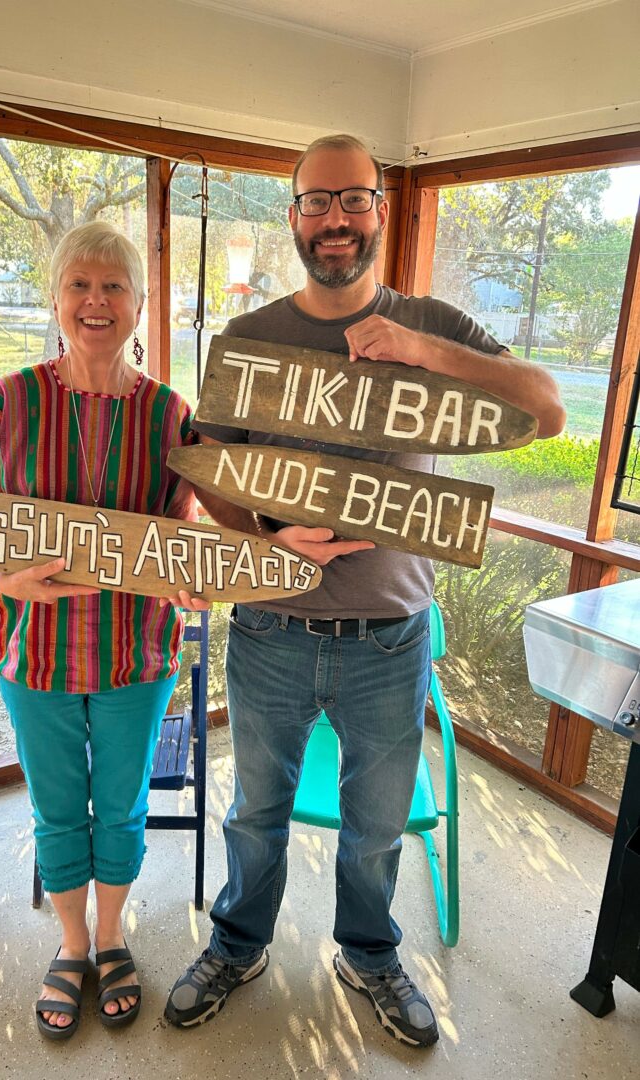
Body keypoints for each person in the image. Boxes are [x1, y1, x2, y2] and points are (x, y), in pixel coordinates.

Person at [164, 134, 566, 1048]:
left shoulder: (435, 324)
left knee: (378, 824)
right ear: (293, 216)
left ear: (381, 210)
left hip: (392, 635)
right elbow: (209, 471)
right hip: (269, 626)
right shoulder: (248, 340)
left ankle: (369, 954)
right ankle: (238, 944)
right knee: (254, 813)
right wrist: (265, 537)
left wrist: (420, 349)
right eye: (317, 201)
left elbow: (546, 408)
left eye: (354, 199)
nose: (335, 218)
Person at [0, 221, 200, 1040]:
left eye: (114, 286)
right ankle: (70, 945)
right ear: (55, 298)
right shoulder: (10, 401)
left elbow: (182, 527)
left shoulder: (170, 414)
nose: (96, 301)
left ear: (139, 302)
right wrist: (7, 578)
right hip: (35, 651)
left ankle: (111, 935)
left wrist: (194, 574)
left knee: (122, 804)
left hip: (138, 652)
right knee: (58, 806)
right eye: (79, 285)